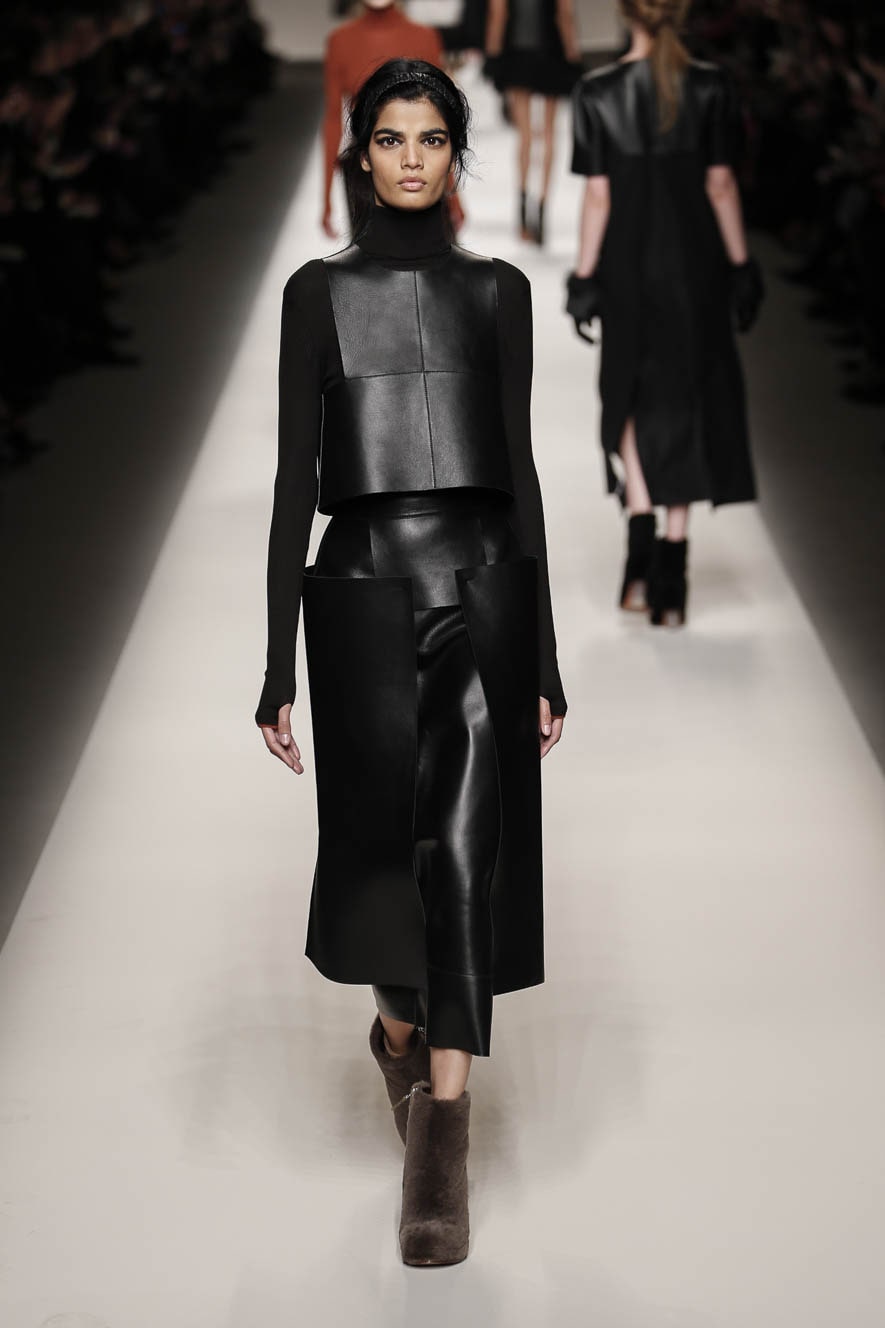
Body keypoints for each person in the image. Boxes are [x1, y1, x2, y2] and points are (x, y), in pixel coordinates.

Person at [256, 58, 566, 1266]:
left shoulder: (498, 291)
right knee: (384, 862)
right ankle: (396, 1032)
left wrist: (544, 652)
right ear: (361, 152)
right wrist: (275, 660)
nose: (412, 159)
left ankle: (441, 1142)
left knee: (467, 855)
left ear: (455, 152)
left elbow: (521, 470)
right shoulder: (316, 294)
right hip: (360, 593)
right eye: (391, 138)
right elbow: (295, 479)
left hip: (481, 586)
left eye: (432, 138)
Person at [566, 0, 763, 626]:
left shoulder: (597, 92)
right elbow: (720, 184)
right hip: (694, 267)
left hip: (626, 267)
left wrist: (583, 275)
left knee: (628, 392)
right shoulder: (711, 87)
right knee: (686, 395)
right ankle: (673, 571)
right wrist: (741, 265)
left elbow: (599, 196)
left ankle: (640, 542)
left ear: (627, 13)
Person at [321, 0, 464, 238]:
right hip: (365, 171)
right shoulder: (341, 40)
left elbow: (441, 122)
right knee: (376, 256)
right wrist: (326, 199)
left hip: (420, 165)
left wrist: (453, 195)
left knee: (430, 254)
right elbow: (332, 119)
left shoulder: (425, 37)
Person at [485, 0, 582, 242]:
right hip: (551, 53)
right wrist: (572, 53)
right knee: (549, 134)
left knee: (525, 135)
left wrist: (493, 54)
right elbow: (564, 14)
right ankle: (542, 207)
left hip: (518, 55)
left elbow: (498, 13)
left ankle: (522, 205)